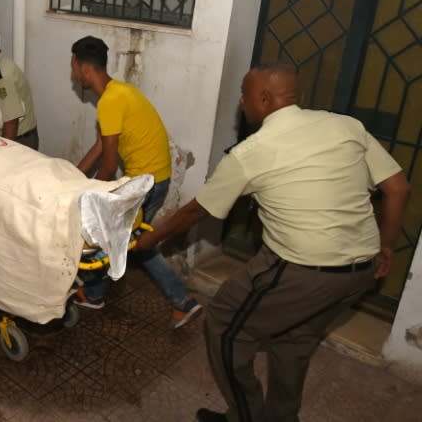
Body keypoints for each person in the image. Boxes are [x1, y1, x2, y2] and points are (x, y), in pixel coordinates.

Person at [135, 63, 411, 422]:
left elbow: (193, 213)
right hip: (359, 272)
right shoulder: (345, 126)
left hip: (301, 270)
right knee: (294, 339)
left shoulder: (252, 152)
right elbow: (398, 187)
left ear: (263, 99)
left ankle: (245, 416)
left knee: (225, 327)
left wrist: (149, 240)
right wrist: (386, 246)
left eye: (244, 94)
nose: (241, 101)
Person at [69, 35, 202, 328]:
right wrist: (74, 176)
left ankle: (182, 301)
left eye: (73, 66)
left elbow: (108, 163)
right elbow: (102, 145)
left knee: (134, 243)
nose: (72, 73)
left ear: (82, 66)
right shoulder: (119, 93)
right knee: (120, 239)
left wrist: (87, 192)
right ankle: (93, 293)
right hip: (157, 177)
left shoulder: (109, 102)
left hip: (147, 183)